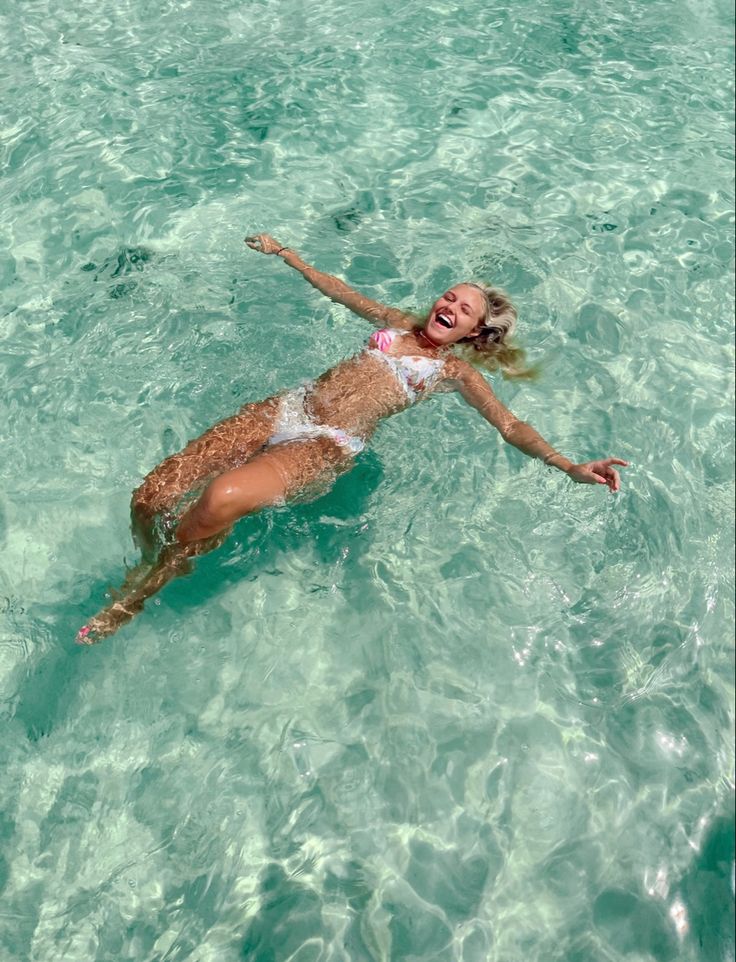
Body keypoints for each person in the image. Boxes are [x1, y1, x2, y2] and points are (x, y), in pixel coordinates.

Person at [76, 234, 627, 643]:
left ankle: (143, 592)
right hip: (286, 408)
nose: (450, 308)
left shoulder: (454, 375)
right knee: (150, 496)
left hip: (325, 445)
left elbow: (511, 427)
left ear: (473, 334)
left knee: (218, 499)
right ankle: (156, 558)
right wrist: (288, 255)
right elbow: (339, 291)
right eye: (449, 297)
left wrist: (567, 464)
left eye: (463, 311)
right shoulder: (395, 323)